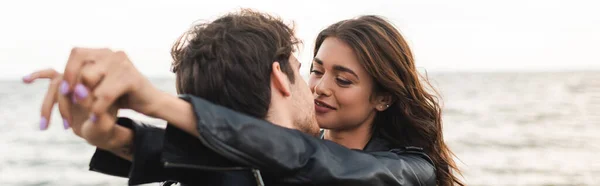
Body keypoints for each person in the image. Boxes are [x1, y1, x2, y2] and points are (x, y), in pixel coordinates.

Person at [25, 10, 461, 186]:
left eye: (344, 80)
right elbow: (232, 163)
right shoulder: (268, 162)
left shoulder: (407, 169)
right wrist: (113, 136)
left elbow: (310, 163)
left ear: (383, 97)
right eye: (315, 69)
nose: (321, 86)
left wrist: (158, 102)